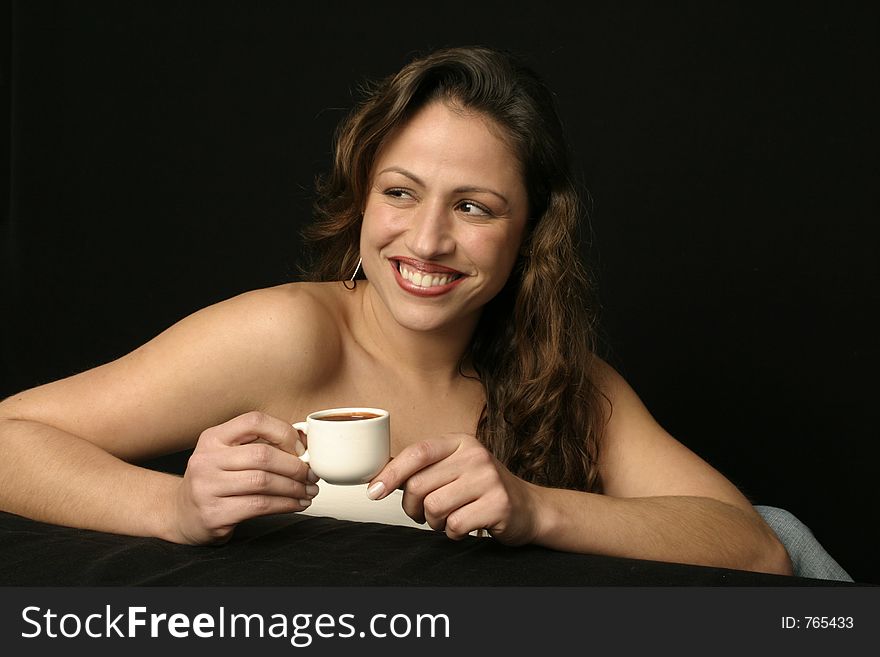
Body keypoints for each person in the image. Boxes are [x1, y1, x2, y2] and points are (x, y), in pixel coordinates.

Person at [0, 45, 792, 575]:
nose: (427, 239)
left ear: (531, 234)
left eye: (475, 207)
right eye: (401, 193)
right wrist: (170, 506)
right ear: (362, 199)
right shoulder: (290, 337)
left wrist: (535, 508)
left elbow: (756, 546)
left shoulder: (562, 375)